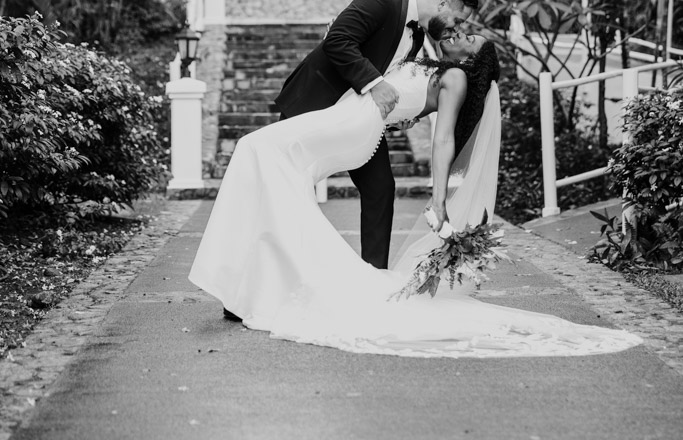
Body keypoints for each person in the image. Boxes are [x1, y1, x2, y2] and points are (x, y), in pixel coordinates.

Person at [188, 33, 641, 359]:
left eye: (469, 38)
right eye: (463, 29)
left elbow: (443, 140)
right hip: (353, 112)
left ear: (474, 61)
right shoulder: (430, 58)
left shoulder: (457, 80)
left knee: (256, 149)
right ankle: (260, 273)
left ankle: (266, 271)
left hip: (358, 123)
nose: (459, 35)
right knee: (270, 167)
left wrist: (439, 197)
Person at [274, 0, 479, 270]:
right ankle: (250, 285)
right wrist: (375, 83)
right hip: (313, 106)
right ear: (444, 2)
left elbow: (393, 82)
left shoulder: (417, 36)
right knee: (284, 191)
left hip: (360, 120)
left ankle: (374, 277)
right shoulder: (380, 0)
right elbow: (338, 40)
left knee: (380, 187)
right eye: (458, 20)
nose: (455, 28)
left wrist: (397, 118)